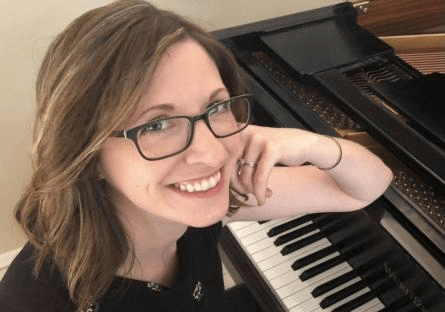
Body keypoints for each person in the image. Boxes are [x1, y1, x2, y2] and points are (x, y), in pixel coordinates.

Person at [0, 1, 393, 311]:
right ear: (87, 154)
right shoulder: (40, 301)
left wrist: (312, 145)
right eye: (155, 125)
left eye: (216, 107)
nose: (209, 153)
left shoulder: (207, 199)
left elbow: (364, 189)